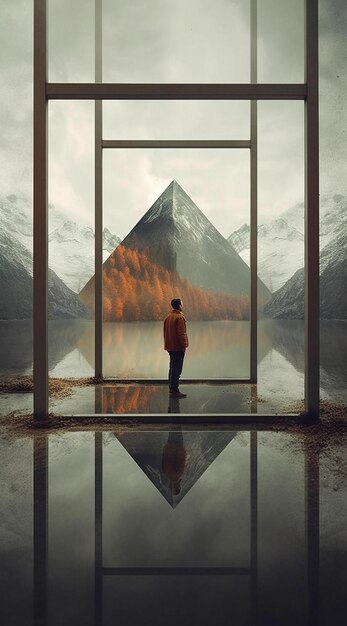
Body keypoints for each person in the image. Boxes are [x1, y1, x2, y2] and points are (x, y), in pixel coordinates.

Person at [163, 298, 189, 398]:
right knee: (177, 370)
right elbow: (181, 334)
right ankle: (175, 391)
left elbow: (166, 332)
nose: (182, 306)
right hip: (178, 347)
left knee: (172, 368)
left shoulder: (168, 317)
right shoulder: (179, 318)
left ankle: (171, 389)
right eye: (182, 304)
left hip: (170, 346)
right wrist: (185, 345)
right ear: (179, 306)